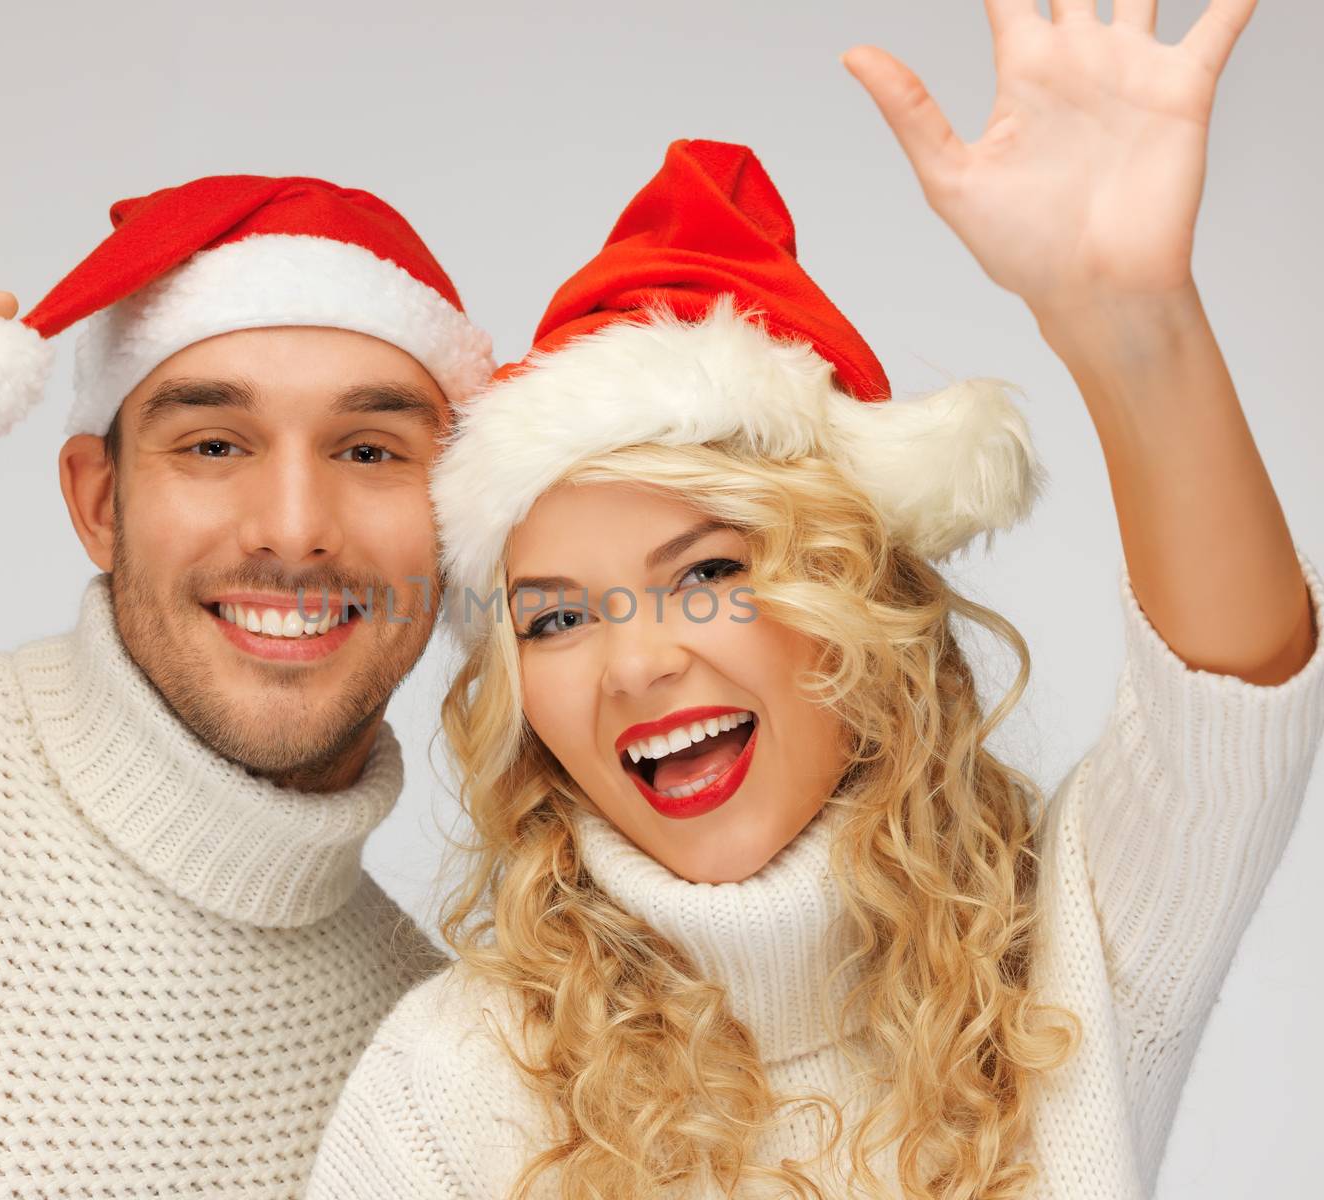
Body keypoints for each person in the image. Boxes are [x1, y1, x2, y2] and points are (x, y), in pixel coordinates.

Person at [306, 4, 1324, 1198]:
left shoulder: (1062, 947)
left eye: (706, 573)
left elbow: (1231, 694)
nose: (632, 667)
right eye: (557, 617)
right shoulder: (456, 1085)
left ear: (854, 595)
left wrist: (1130, 324)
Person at [0, 175, 493, 1196]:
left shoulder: (448, 1079)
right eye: (215, 445)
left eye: (369, 450)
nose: (294, 526)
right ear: (98, 499)